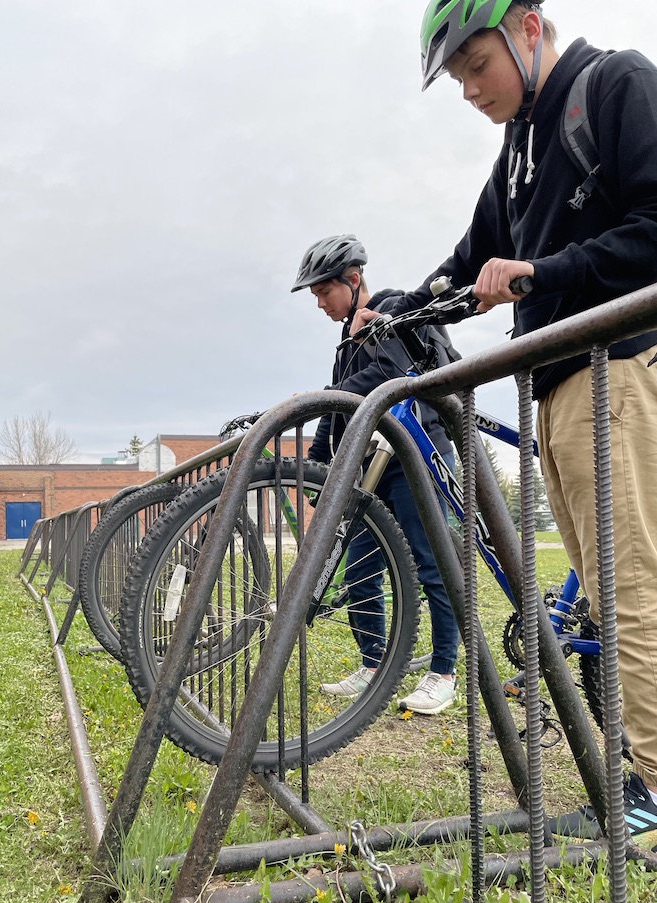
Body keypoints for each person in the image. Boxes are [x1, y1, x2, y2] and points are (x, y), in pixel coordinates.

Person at [353, 1, 657, 841]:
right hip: (556, 386)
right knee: (601, 590)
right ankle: (630, 767)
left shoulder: (616, 84)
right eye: (456, 77)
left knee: (631, 593)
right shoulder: (519, 147)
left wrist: (542, 273)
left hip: (620, 367)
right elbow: (471, 254)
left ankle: (656, 791)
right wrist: (399, 308)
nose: (467, 90)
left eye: (475, 65)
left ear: (527, 27)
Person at [292, 234, 460, 714]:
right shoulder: (346, 346)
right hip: (373, 470)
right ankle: (373, 665)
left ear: (353, 279)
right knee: (359, 573)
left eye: (324, 292)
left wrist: (331, 395)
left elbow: (387, 376)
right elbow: (338, 408)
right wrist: (319, 464)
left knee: (433, 565)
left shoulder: (389, 313)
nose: (320, 303)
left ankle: (443, 672)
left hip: (414, 456)